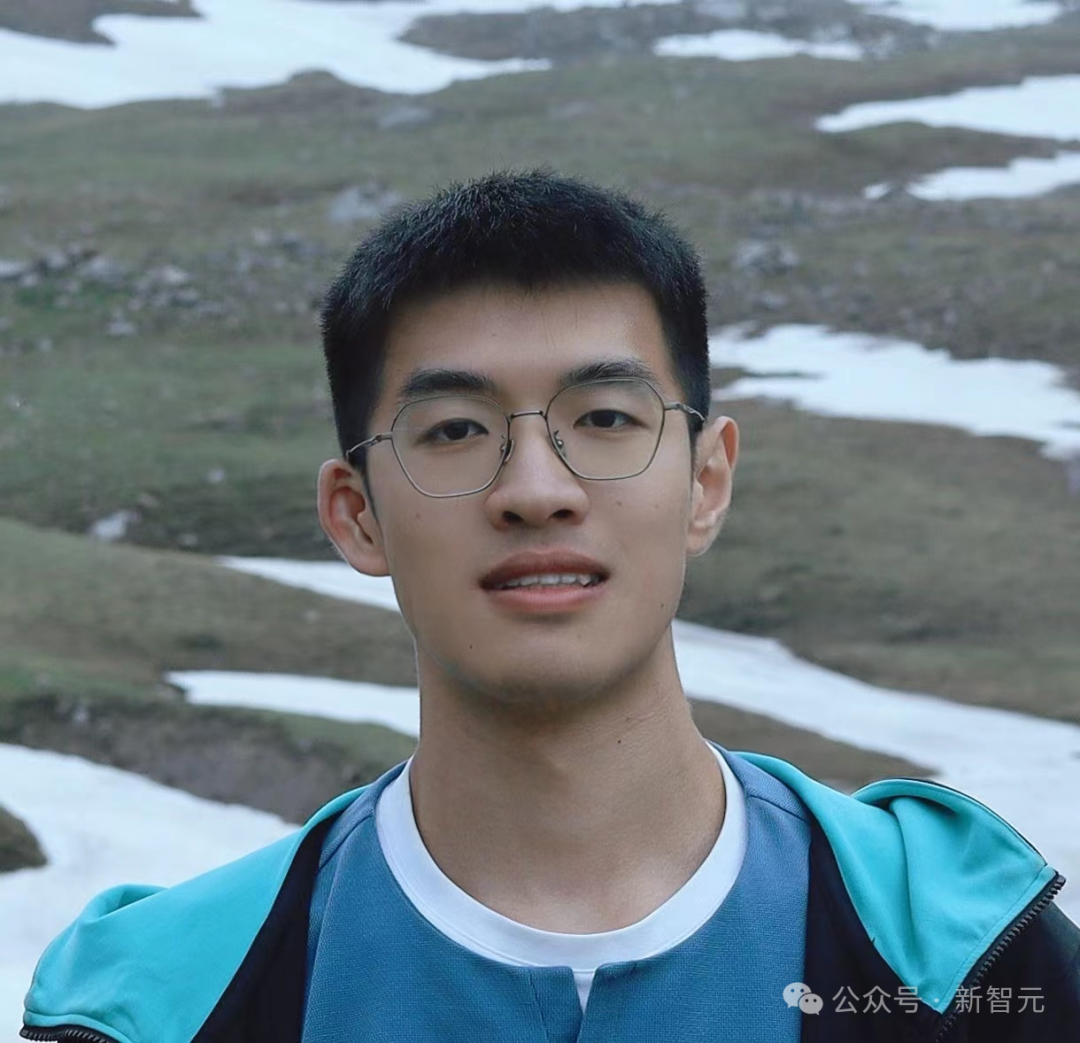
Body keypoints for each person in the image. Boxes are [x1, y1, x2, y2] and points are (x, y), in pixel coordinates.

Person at [21, 170, 1080, 1042]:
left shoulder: (966, 962)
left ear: (706, 480)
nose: (536, 489)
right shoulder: (167, 1004)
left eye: (607, 416)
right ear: (356, 515)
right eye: (454, 430)